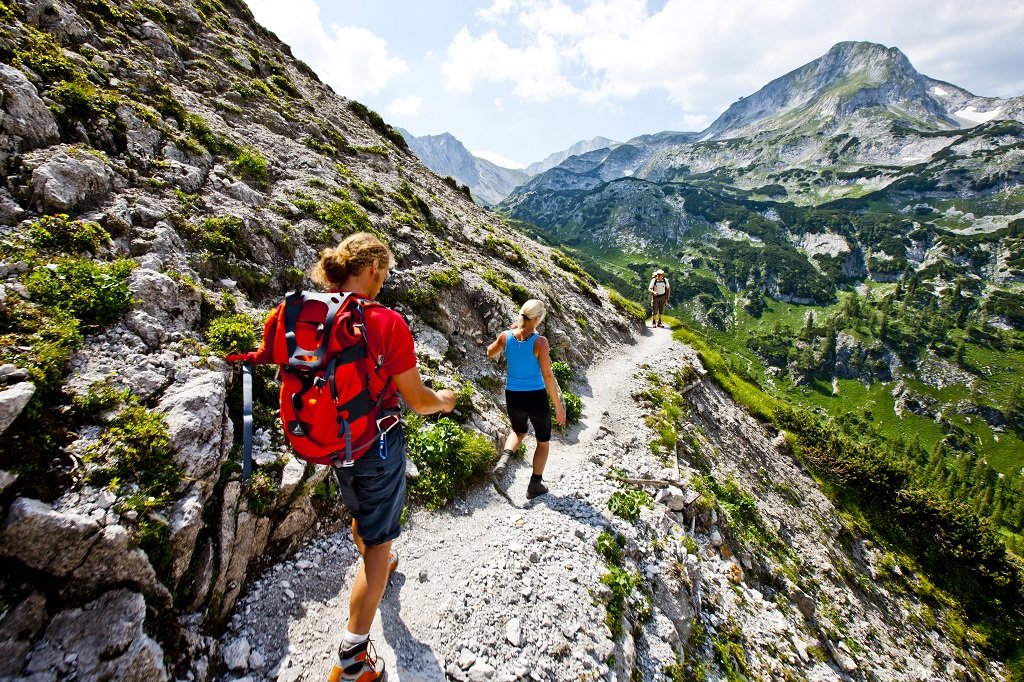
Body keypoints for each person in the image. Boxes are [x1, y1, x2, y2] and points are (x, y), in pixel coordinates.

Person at [244, 233, 455, 682]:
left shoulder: (309, 313)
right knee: (379, 546)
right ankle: (353, 657)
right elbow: (416, 399)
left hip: (333, 443)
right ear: (375, 269)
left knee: (363, 511)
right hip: (375, 443)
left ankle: (376, 552)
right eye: (387, 272)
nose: (386, 280)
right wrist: (446, 400)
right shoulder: (385, 321)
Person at [486, 299, 566, 499]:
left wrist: (507, 337)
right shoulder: (540, 342)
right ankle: (534, 485)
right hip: (536, 396)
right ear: (537, 319)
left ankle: (504, 459)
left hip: (513, 395)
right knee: (543, 441)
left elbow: (489, 352)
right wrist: (558, 407)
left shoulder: (506, 337)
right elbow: (548, 376)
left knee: (519, 431)